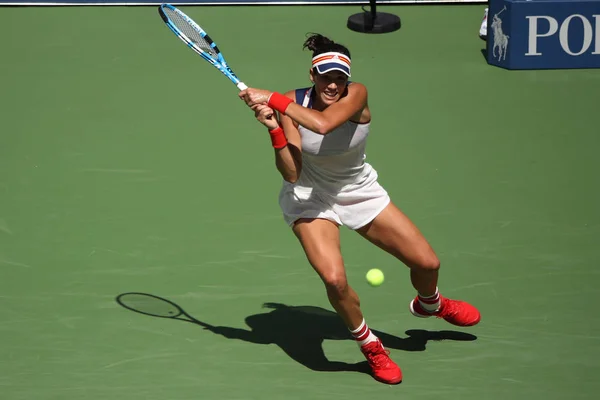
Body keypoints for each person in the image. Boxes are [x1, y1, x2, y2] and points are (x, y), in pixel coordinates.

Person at [237, 33, 481, 385]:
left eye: (339, 77)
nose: (333, 85)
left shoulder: (358, 94)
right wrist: (274, 127)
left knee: (428, 263)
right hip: (309, 197)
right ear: (312, 75)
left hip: (358, 191)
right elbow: (292, 172)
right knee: (335, 280)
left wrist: (270, 97)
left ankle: (431, 304)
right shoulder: (291, 104)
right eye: (326, 77)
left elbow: (322, 124)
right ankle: (371, 346)